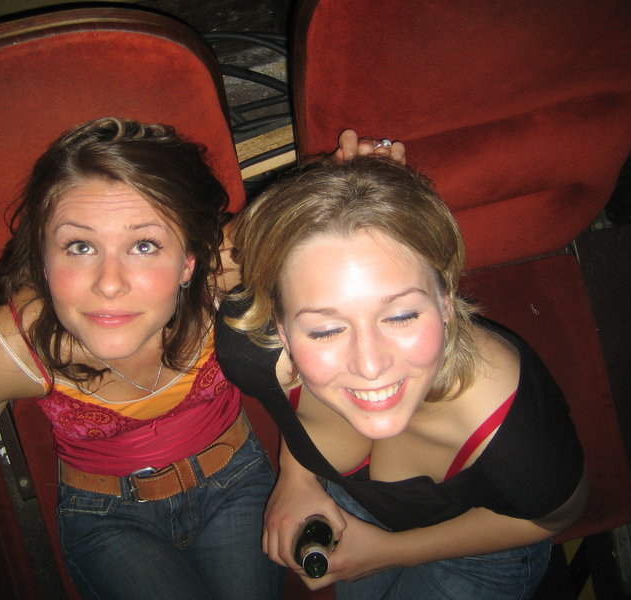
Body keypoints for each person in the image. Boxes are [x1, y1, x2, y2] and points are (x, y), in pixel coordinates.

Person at [0, 118, 402, 599]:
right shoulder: (17, 345)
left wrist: (355, 174)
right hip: (108, 519)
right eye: (79, 246)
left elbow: (312, 215)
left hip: (237, 485)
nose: (109, 283)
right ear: (44, 258)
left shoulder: (217, 272)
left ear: (189, 261)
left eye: (144, 245)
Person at [215, 153, 588, 599]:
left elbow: (557, 517)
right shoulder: (253, 354)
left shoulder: (507, 426)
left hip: (481, 555)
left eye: (401, 316)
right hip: (351, 514)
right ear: (281, 328)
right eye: (326, 329)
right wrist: (298, 479)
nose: (370, 366)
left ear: (446, 300)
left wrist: (388, 551)